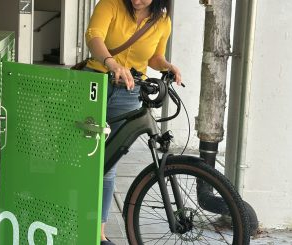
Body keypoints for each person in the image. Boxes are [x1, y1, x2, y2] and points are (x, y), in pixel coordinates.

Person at [84, 0, 181, 244]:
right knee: (81, 153)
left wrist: (167, 65)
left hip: (129, 92)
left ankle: (98, 234)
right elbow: (94, 36)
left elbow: (155, 57)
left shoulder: (162, 21)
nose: (137, 0)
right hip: (94, 83)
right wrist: (111, 62)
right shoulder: (111, 4)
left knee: (109, 163)